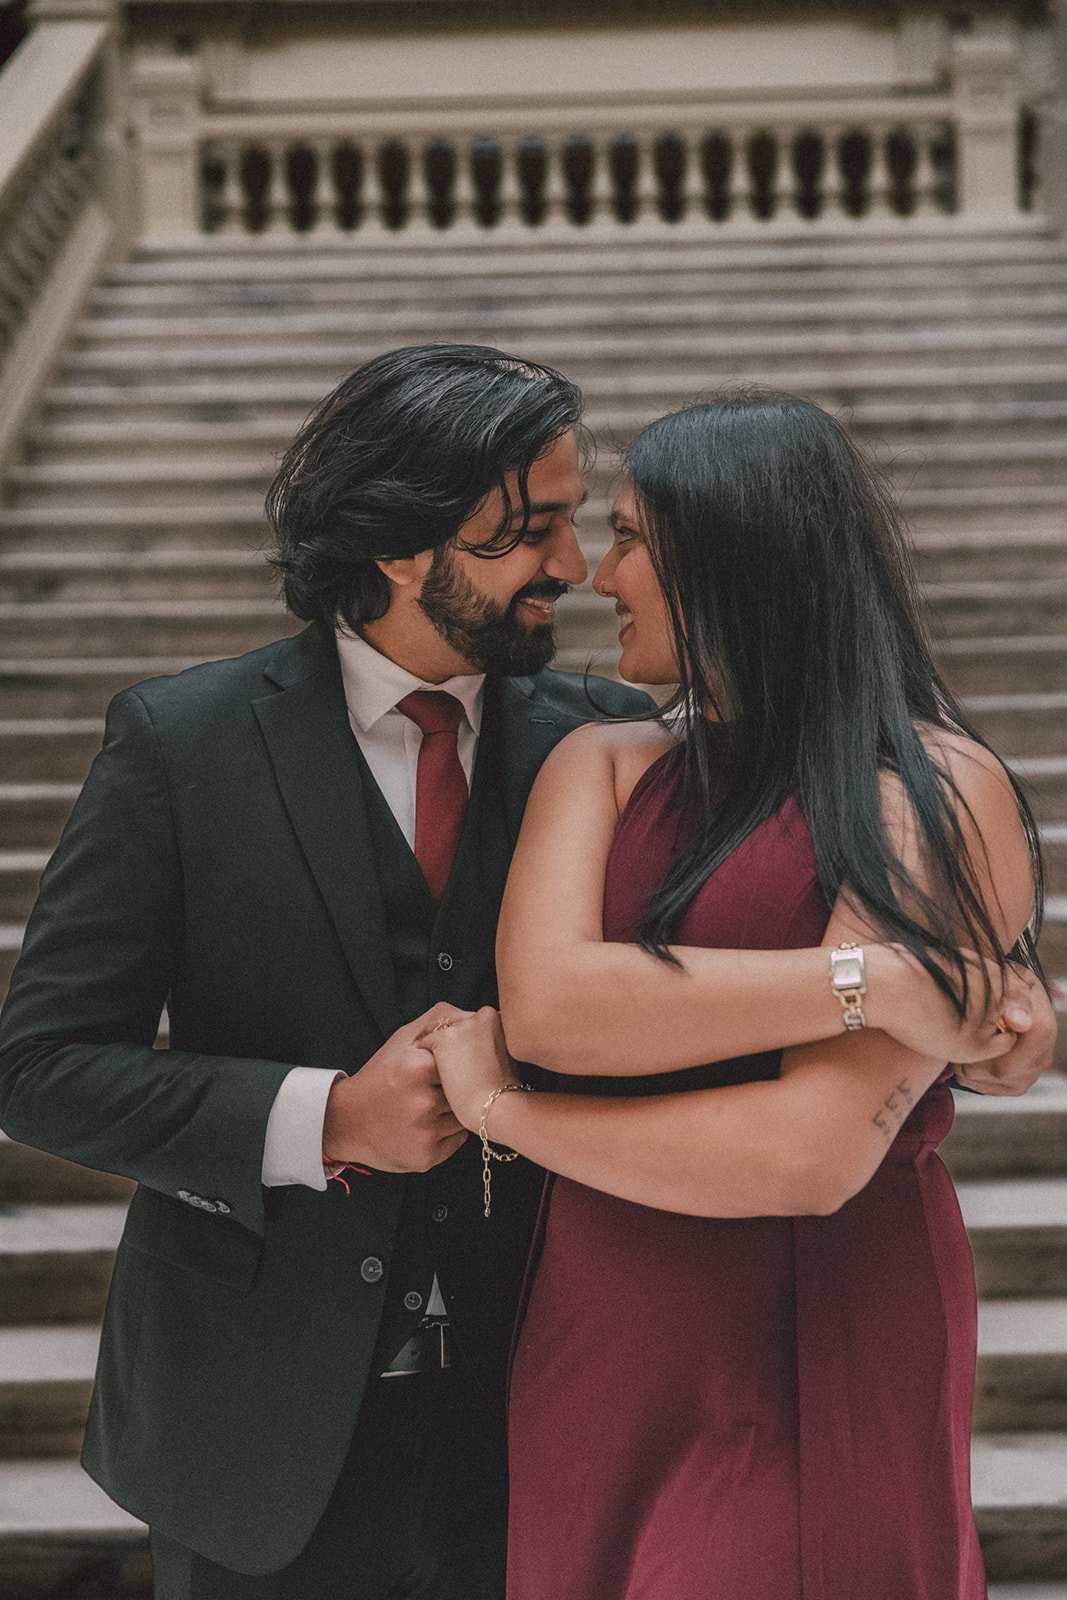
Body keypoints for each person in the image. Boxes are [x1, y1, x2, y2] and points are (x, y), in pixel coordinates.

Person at [0, 357, 1048, 1600]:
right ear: (399, 547)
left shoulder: (614, 733)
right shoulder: (183, 743)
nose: (570, 565)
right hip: (264, 1423)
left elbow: (829, 927)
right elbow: (42, 1067)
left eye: (580, 523)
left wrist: (982, 1016)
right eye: (530, 529)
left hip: (545, 1385)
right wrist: (323, 1118)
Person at [424, 392, 1057, 1600]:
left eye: (630, 539)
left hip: (818, 1310)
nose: (601, 576)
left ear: (733, 553)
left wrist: (509, 1115)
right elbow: (555, 1005)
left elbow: (803, 1156)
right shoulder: (599, 763)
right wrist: (871, 980)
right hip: (597, 1316)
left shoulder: (933, 787)